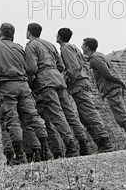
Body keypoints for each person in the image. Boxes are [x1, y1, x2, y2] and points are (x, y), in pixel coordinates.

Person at [0, 23, 48, 165]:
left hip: (6, 86)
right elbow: (28, 67)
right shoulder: (20, 47)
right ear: (12, 35)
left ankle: (19, 155)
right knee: (33, 117)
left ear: (0, 33)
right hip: (23, 85)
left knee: (11, 120)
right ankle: (45, 150)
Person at [24, 23, 82, 158]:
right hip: (59, 79)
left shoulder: (31, 45)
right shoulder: (50, 44)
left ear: (28, 32)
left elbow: (32, 68)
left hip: (45, 80)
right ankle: (83, 142)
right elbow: (61, 65)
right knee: (70, 112)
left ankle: (71, 146)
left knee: (57, 114)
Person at [56, 28, 113, 153]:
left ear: (59, 37)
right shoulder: (74, 47)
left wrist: (67, 80)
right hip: (82, 82)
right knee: (84, 117)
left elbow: (73, 68)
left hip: (78, 84)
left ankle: (105, 142)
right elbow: (82, 64)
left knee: (90, 113)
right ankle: (100, 143)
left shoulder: (65, 48)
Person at [81, 37, 126, 148]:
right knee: (121, 115)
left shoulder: (95, 59)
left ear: (87, 47)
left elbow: (108, 74)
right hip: (114, 89)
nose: (81, 47)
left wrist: (121, 82)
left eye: (83, 45)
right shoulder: (99, 56)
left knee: (122, 116)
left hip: (112, 90)